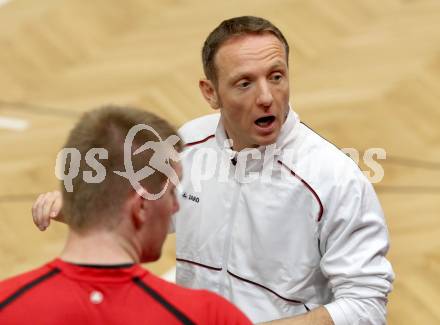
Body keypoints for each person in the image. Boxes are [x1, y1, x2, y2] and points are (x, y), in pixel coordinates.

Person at [30, 16, 394, 325]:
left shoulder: (334, 179)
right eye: (245, 83)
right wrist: (86, 214)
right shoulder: (189, 142)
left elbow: (365, 305)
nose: (266, 96)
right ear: (210, 92)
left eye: (277, 76)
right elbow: (153, 216)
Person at [0, 106, 251, 325]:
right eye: (172, 192)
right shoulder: (209, 317)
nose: (176, 207)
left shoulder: (6, 306)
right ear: (140, 206)